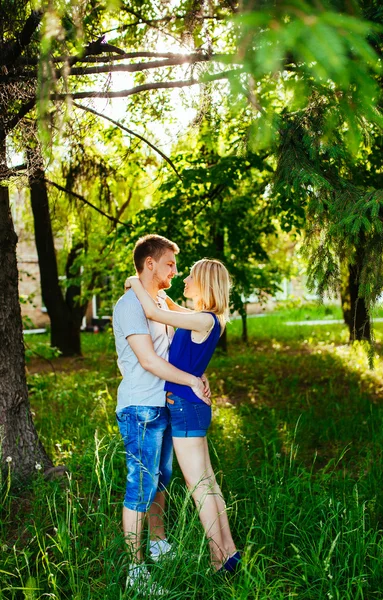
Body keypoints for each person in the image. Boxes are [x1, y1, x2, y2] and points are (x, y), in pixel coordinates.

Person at [125, 258, 241, 574]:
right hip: (193, 406)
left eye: (190, 275)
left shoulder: (202, 320)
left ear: (204, 283)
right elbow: (171, 308)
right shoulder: (206, 318)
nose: (184, 278)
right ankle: (228, 551)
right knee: (208, 483)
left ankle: (219, 559)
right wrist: (160, 294)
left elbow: (154, 313)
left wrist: (134, 282)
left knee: (199, 487)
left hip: (186, 407)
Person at [113, 234, 209, 595]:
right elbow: (149, 360)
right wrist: (192, 381)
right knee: (141, 486)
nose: (175, 269)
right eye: (169, 263)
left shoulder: (156, 301)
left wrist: (195, 377)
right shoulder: (130, 305)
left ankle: (157, 544)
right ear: (149, 263)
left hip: (163, 403)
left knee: (160, 481)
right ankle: (135, 572)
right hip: (140, 407)